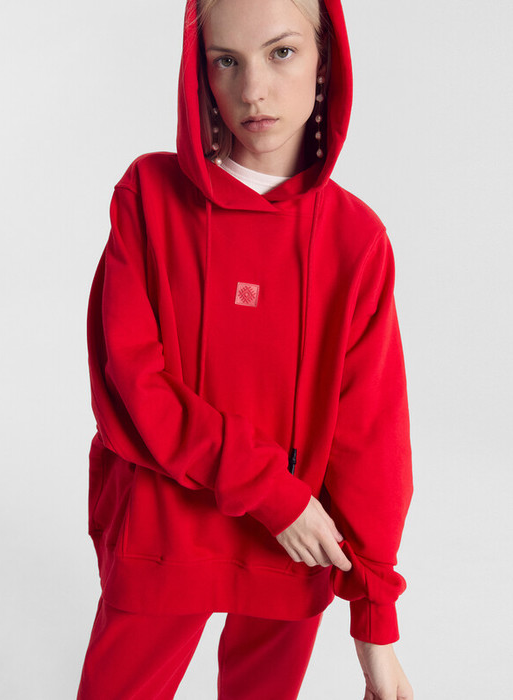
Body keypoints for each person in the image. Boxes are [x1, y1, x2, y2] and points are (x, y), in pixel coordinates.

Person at [77, 0, 414, 698]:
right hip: (165, 535)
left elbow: (370, 440)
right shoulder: (148, 197)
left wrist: (375, 624)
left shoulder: (356, 240)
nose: (252, 88)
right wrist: (272, 494)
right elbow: (132, 384)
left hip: (294, 547)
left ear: (325, 62)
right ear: (199, 73)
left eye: (281, 52)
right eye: (225, 61)